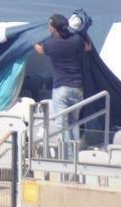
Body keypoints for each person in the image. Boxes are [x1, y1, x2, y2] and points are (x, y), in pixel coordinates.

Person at [34, 13, 92, 151]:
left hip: (61, 88)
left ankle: (67, 156)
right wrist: (83, 33)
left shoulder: (50, 43)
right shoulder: (76, 39)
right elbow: (88, 47)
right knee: (74, 122)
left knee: (63, 123)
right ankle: (74, 156)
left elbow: (39, 50)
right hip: (77, 87)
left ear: (53, 28)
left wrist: (32, 39)